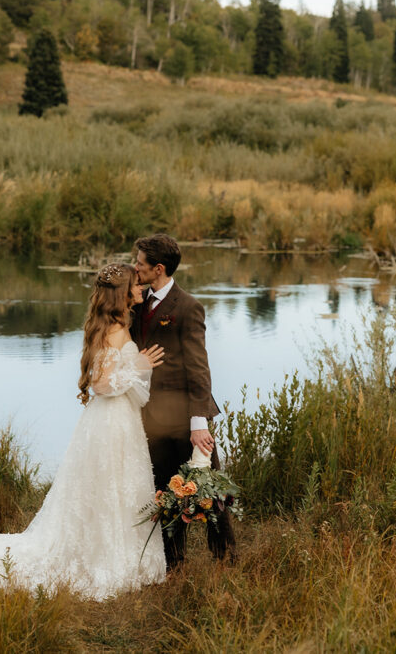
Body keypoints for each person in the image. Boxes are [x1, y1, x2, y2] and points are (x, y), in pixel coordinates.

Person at [0, 263, 167, 600]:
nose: (141, 289)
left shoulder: (113, 326)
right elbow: (101, 385)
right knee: (110, 484)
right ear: (122, 293)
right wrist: (137, 366)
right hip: (110, 420)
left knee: (115, 485)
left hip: (117, 418)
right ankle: (105, 557)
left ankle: (119, 550)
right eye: (136, 285)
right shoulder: (115, 331)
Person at [131, 233, 235, 569]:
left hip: (187, 418)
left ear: (159, 268)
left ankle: (226, 559)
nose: (135, 267)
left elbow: (199, 368)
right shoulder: (136, 302)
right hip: (151, 417)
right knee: (164, 491)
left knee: (209, 491)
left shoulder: (188, 307)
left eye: (140, 263)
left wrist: (198, 423)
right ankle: (173, 565)